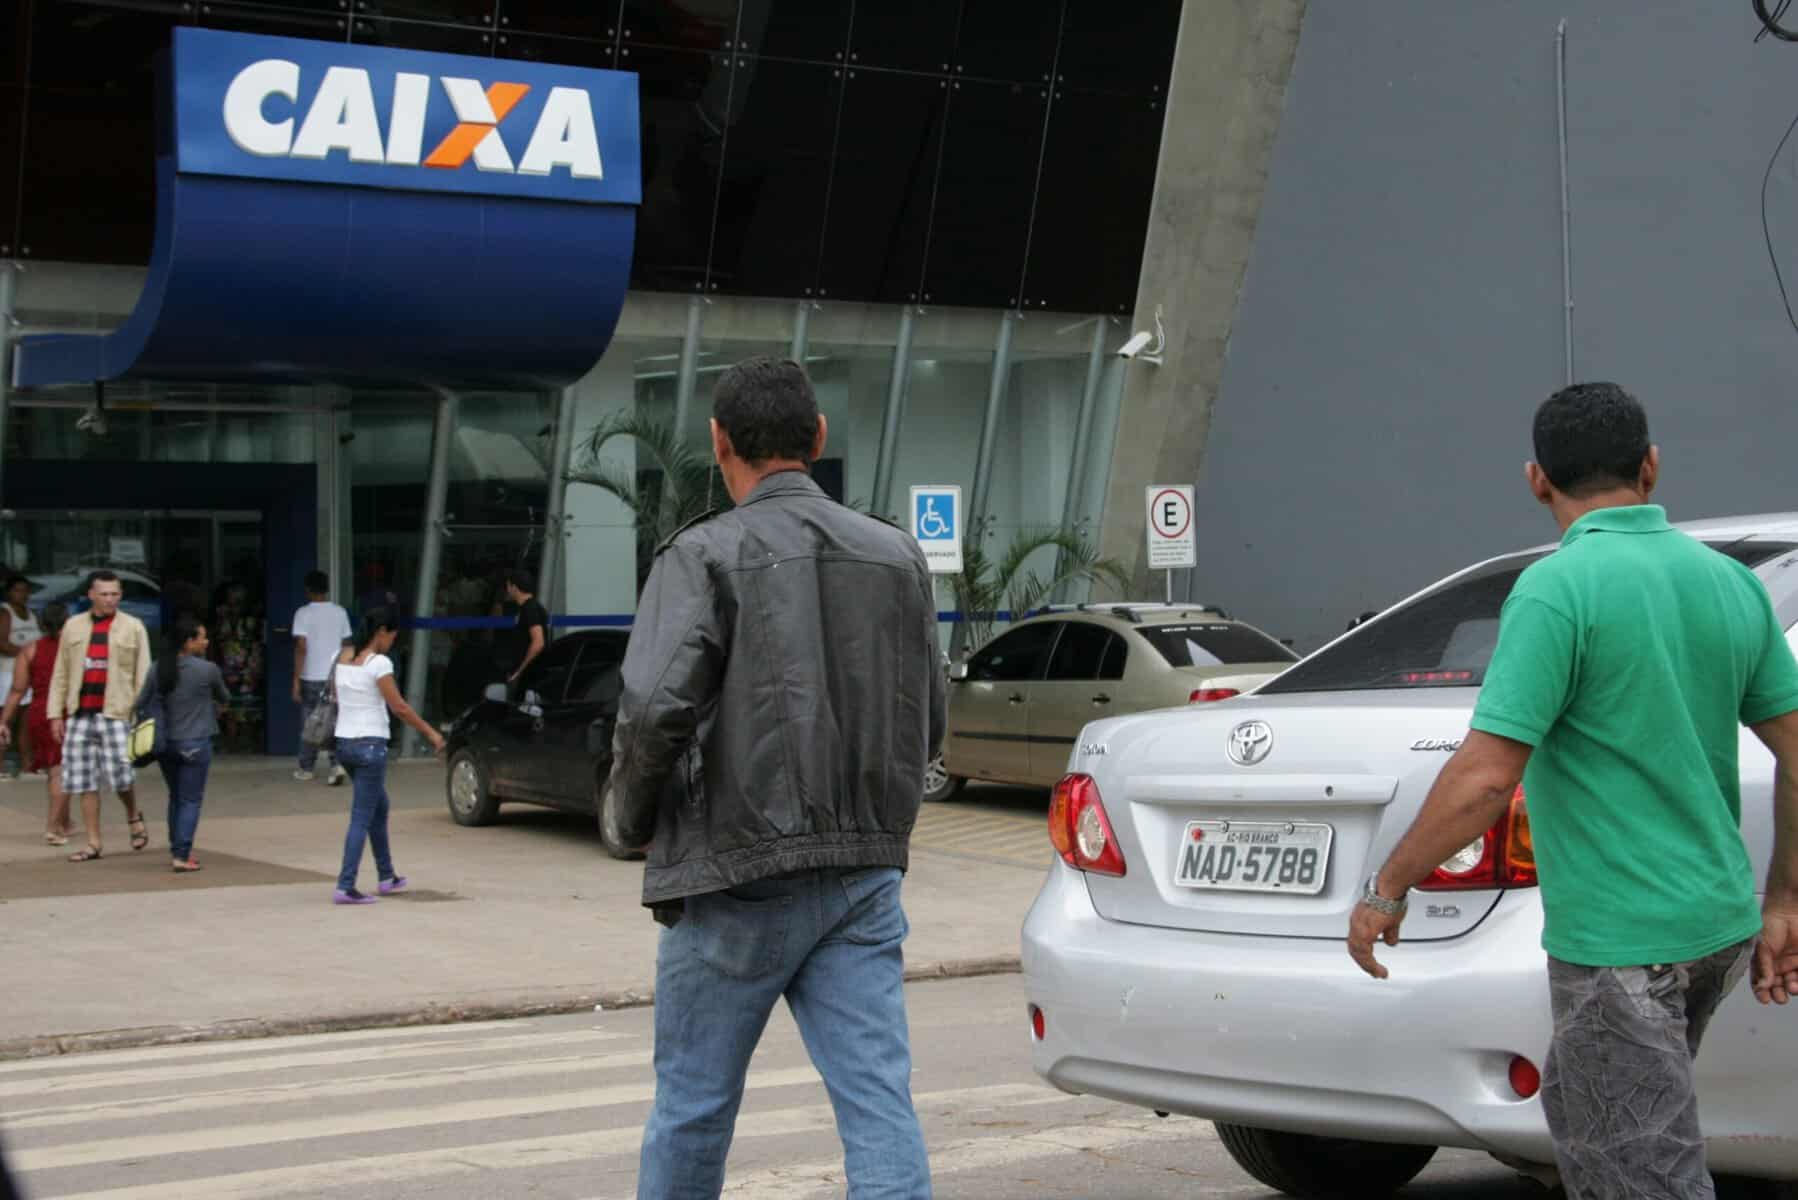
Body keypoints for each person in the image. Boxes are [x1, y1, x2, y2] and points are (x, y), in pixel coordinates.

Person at [1348, 382, 1798, 1200]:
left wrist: (1388, 888)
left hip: (1623, 946)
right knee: (1591, 1124)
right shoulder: (1731, 584)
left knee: (1644, 1175)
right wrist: (1783, 900)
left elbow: (1487, 777)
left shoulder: (1557, 588)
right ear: (1650, 466)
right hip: (1716, 929)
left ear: (1537, 480)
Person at [607, 356, 944, 1198]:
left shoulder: (702, 554)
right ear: (818, 436)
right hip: (864, 875)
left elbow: (651, 710)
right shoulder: (896, 555)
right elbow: (930, 717)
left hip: (734, 875)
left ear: (718, 441)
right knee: (879, 1107)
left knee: (693, 1107)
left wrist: (629, 819)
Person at [331, 609, 445, 905]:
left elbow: (336, 697)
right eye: (393, 636)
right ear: (381, 631)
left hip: (344, 744)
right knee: (362, 816)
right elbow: (400, 707)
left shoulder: (341, 656)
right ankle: (346, 885)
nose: (393, 642)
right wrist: (431, 733)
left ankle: (387, 875)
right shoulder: (379, 663)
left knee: (378, 806)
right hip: (370, 745)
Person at [46, 572, 152, 862]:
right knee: (84, 782)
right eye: (104, 594)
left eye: (115, 594)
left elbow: (142, 675)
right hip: (80, 714)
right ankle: (93, 842)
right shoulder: (73, 626)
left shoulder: (133, 627)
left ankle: (133, 815)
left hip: (117, 713)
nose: (109, 599)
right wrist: (55, 714)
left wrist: (139, 715)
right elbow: (61, 672)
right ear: (91, 595)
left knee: (121, 777)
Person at [137, 617, 228, 873]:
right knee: (190, 800)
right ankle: (181, 854)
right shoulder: (208, 670)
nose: (206, 642)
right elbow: (224, 696)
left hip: (165, 744)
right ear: (188, 642)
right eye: (202, 637)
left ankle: (176, 847)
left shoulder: (158, 668)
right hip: (196, 743)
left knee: (176, 796)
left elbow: (141, 702)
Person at [0, 602, 72, 844]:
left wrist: (3, 721)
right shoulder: (74, 648)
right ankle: (53, 826)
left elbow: (17, 690)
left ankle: (64, 821)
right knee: (61, 771)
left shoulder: (30, 650)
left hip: (40, 713)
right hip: (67, 712)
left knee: (56, 769)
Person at [291, 570, 352, 785]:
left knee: (311, 722)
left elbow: (301, 647)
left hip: (311, 675)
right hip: (335, 675)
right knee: (336, 720)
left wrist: (296, 679)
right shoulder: (340, 613)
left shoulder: (303, 614)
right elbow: (346, 645)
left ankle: (307, 767)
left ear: (308, 589)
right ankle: (337, 764)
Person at [212, 582, 264, 753]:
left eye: (238, 599)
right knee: (228, 706)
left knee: (248, 707)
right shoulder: (221, 616)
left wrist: (254, 667)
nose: (234, 603)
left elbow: (257, 642)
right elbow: (216, 641)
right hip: (227, 666)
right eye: (231, 598)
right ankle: (231, 743)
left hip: (248, 666)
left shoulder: (252, 619)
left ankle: (248, 741)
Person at [0, 574, 42, 779]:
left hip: (29, 674)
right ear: (9, 593)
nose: (22, 594)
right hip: (8, 673)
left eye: (25, 590)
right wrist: (26, 655)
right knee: (6, 720)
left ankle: (27, 765)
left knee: (26, 722)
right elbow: (2, 643)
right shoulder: (5, 613)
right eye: (17, 590)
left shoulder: (31, 614)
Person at [504, 569, 548, 686]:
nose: (507, 590)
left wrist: (520, 672)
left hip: (528, 677)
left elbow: (538, 642)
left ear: (514, 587)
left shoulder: (530, 609)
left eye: (508, 586)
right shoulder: (528, 608)